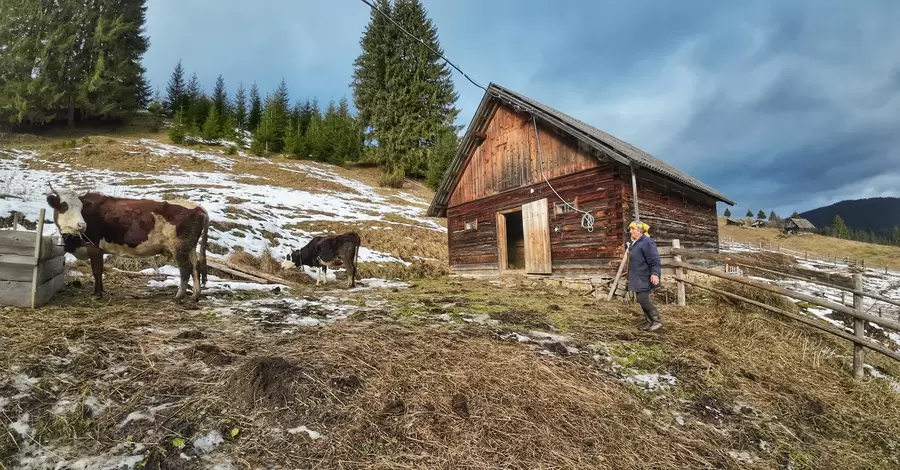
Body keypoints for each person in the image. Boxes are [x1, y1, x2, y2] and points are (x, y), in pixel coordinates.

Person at [626, 220, 662, 331]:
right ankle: (649, 321)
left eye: (632, 229)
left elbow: (654, 259)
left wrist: (655, 273)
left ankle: (657, 321)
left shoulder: (647, 242)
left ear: (640, 230)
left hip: (645, 275)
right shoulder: (635, 243)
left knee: (643, 298)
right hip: (637, 276)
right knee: (641, 299)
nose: (630, 231)